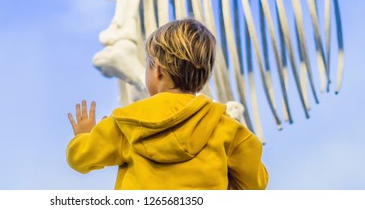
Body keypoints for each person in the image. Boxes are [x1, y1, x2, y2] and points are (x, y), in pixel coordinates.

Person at [65, 18, 268, 190]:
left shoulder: (126, 123)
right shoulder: (226, 127)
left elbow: (80, 159)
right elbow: (256, 183)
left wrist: (83, 136)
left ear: (158, 70)